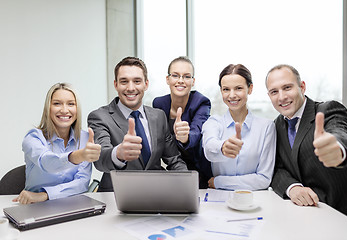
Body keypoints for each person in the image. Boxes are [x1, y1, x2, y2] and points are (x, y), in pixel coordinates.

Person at [266, 64, 347, 226]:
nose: (281, 97)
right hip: (312, 219)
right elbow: (277, 168)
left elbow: (340, 133)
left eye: (287, 87)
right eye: (274, 91)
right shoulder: (276, 126)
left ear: (302, 87)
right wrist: (293, 188)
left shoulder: (328, 110)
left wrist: (337, 149)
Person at [88, 57, 187, 192]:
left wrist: (188, 186)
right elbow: (100, 160)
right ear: (115, 84)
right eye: (124, 82)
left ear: (146, 84)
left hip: (156, 195)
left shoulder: (158, 116)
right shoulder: (99, 117)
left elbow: (174, 160)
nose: (130, 88)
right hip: (116, 196)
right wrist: (118, 153)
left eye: (137, 81)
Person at [13, 83, 101, 204]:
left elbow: (81, 183)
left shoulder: (85, 138)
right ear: (48, 108)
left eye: (71, 104)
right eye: (57, 103)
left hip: (71, 204)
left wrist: (45, 195)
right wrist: (77, 156)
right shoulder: (33, 137)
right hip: (34, 205)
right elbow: (47, 163)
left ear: (77, 108)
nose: (64, 110)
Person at [202, 64, 276, 190]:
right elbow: (209, 149)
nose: (232, 95)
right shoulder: (213, 122)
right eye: (226, 89)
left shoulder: (266, 127)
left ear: (250, 89)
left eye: (238, 88)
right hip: (220, 200)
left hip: (255, 200)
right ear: (221, 91)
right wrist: (223, 148)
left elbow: (264, 178)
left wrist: (220, 182)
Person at [152, 56, 212, 188]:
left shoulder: (201, 102)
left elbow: (197, 130)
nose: (180, 81)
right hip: (172, 169)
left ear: (193, 81)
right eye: (175, 75)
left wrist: (186, 137)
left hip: (199, 171)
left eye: (186, 76)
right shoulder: (159, 103)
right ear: (167, 79)